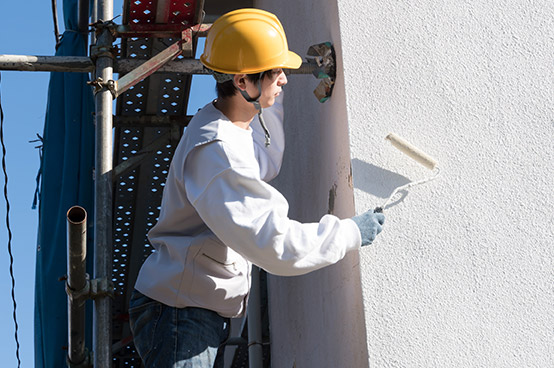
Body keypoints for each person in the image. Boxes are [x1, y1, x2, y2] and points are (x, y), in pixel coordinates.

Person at [129, 8, 385, 368]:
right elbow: (274, 244)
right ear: (242, 82)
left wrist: (271, 99)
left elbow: (263, 161)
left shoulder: (228, 120)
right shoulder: (216, 152)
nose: (284, 80)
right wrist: (347, 233)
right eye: (275, 72)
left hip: (189, 310)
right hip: (179, 314)